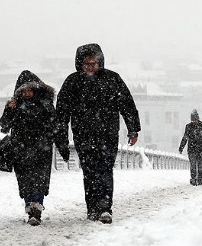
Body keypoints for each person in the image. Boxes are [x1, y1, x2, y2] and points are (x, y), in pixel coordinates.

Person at [55, 43, 141, 224]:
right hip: (83, 135)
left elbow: (127, 104)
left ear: (100, 62)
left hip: (107, 134)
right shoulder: (72, 82)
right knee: (89, 171)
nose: (91, 67)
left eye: (94, 63)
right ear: (80, 64)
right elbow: (61, 112)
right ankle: (92, 207)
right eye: (87, 64)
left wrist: (133, 129)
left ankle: (104, 207)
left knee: (105, 169)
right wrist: (61, 137)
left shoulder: (112, 79)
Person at [0, 70, 69, 226]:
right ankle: (30, 206)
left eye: (30, 89)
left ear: (37, 89)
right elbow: (4, 125)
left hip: (41, 150)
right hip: (21, 150)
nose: (28, 93)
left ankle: (35, 210)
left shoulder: (46, 106)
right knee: (25, 182)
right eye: (24, 90)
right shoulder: (15, 106)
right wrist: (9, 110)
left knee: (39, 181)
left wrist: (62, 147)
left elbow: (56, 127)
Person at [178, 109, 202, 186]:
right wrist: (181, 147)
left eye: (195, 120)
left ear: (197, 118)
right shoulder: (189, 126)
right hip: (193, 149)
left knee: (200, 165)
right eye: (193, 120)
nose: (194, 121)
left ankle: (199, 179)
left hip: (199, 149)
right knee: (193, 165)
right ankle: (193, 179)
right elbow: (185, 137)